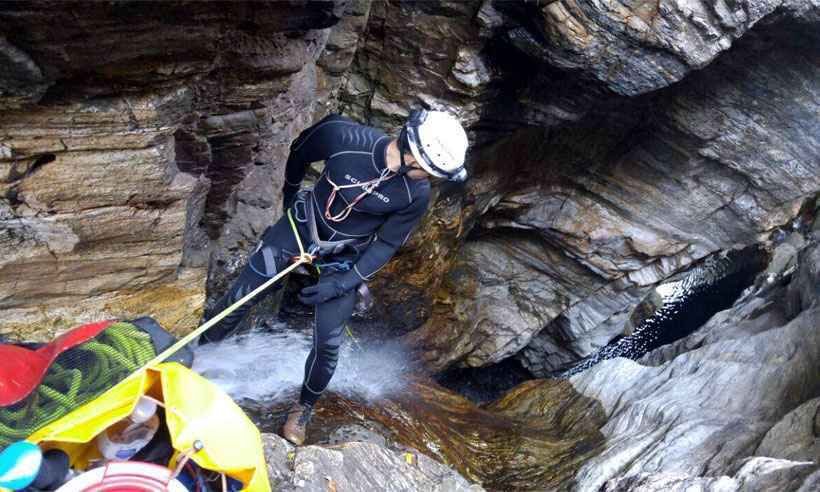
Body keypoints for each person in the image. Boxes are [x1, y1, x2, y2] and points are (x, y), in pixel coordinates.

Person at [198, 109, 469, 445]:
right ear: (411, 152)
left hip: (344, 257)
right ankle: (197, 358)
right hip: (302, 225)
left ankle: (304, 407)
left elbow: (386, 244)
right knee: (239, 299)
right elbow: (300, 152)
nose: (429, 178)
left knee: (328, 346)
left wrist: (344, 283)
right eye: (428, 170)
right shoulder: (345, 138)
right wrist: (289, 199)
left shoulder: (416, 194)